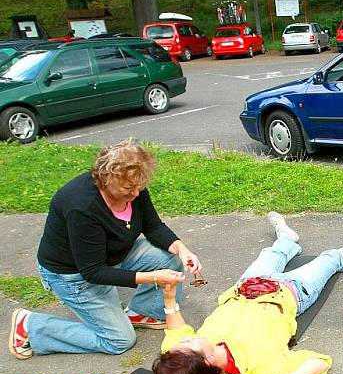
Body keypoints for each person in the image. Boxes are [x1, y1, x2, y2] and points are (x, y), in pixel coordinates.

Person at [152, 212, 343, 374]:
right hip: (290, 292)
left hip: (246, 286)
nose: (187, 339)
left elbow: (176, 330)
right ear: (207, 361)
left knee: (272, 253)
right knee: (330, 259)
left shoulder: (178, 355)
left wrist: (170, 298)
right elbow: (318, 362)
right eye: (189, 344)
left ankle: (287, 238)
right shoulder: (258, 367)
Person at [9, 140, 200, 359]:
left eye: (140, 186)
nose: (136, 193)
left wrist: (182, 249)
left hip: (113, 254)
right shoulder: (82, 206)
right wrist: (152, 277)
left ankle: (141, 313)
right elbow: (93, 271)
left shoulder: (134, 186)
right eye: (129, 188)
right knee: (119, 340)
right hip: (74, 275)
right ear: (107, 179)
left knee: (169, 256)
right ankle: (31, 327)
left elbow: (153, 226)